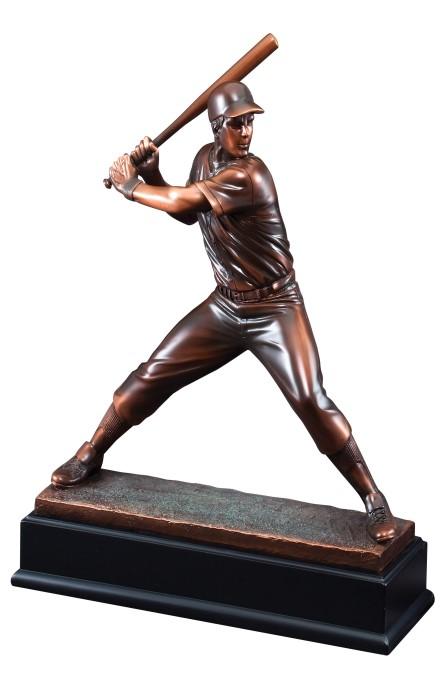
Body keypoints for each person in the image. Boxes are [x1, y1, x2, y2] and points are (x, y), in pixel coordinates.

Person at [51, 82, 397, 543]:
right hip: (227, 304)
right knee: (154, 372)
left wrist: (132, 187)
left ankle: (373, 497)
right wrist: (154, 174)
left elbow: (183, 200)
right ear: (216, 128)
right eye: (236, 123)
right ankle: (91, 452)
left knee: (311, 400)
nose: (246, 131)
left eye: (250, 121)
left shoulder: (251, 175)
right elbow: (187, 213)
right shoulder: (205, 160)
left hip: (276, 307)